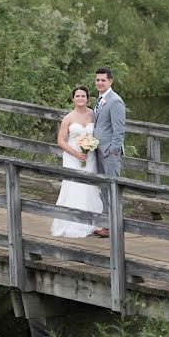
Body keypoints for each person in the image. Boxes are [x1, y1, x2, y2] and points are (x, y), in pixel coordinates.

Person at [50, 86, 104, 238]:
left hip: (90, 157)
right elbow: (60, 141)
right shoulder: (68, 118)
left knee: (90, 188)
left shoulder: (94, 115)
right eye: (77, 96)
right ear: (73, 99)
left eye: (83, 96)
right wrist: (76, 154)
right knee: (74, 187)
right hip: (73, 157)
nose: (80, 98)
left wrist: (92, 145)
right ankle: (72, 223)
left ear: (88, 98)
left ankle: (91, 222)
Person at [91, 67, 125, 238]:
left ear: (110, 81)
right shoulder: (99, 100)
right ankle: (106, 225)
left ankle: (115, 227)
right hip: (98, 150)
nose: (99, 83)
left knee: (112, 189)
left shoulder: (115, 101)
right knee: (103, 189)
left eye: (103, 80)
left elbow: (119, 130)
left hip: (109, 153)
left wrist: (113, 151)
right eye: (97, 80)